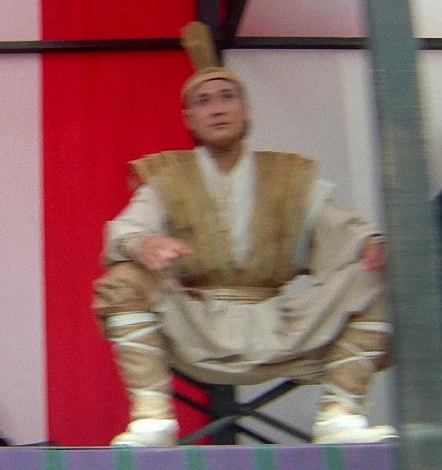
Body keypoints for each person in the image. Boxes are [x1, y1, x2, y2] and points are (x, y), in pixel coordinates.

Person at [93, 22, 397, 447]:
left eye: (227, 97)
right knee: (124, 280)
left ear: (246, 110)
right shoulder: (167, 178)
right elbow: (125, 229)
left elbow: (346, 232)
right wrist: (144, 244)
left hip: (281, 325)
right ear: (189, 119)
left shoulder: (288, 176)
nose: (217, 109)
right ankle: (152, 416)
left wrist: (372, 245)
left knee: (381, 277)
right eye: (203, 101)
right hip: (196, 325)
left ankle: (340, 412)